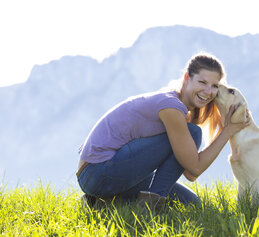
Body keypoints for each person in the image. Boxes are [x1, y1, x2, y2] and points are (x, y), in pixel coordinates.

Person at [76, 53, 249, 209]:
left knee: (191, 204)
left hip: (105, 173)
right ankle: (150, 207)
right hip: (97, 171)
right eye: (202, 82)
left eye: (214, 86)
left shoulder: (177, 106)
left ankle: (99, 202)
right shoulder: (171, 107)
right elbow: (195, 168)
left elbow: (190, 174)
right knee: (193, 132)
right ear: (187, 78)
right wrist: (227, 131)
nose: (208, 91)